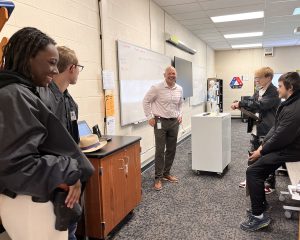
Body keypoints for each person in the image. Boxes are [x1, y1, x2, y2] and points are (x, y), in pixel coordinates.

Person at [0, 27, 94, 240]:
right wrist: (70, 170)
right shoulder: (15, 95)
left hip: (37, 198)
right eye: (51, 62)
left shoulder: (23, 92)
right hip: (30, 203)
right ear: (28, 58)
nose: (55, 70)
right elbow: (17, 165)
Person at [240, 71, 300, 231]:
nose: (279, 89)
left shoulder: (294, 108)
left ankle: (259, 217)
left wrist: (262, 151)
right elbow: (276, 128)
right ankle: (261, 205)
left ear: (291, 87)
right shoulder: (288, 102)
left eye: (281, 86)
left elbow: (281, 137)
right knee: (256, 167)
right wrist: (261, 147)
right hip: (287, 145)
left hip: (292, 149)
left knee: (253, 172)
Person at [38, 46, 84, 240]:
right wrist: (68, 178)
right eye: (79, 67)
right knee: (58, 231)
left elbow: (72, 141)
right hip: (56, 179)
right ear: (72, 68)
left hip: (69, 174)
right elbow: (45, 146)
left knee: (69, 226)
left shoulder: (68, 100)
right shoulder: (44, 99)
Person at [231, 67, 280, 193]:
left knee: (267, 157)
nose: (256, 80)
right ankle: (251, 179)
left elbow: (261, 105)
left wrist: (241, 104)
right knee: (252, 154)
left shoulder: (274, 92)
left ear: (268, 78)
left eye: (259, 78)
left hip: (267, 130)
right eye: (255, 78)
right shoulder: (259, 90)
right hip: (256, 128)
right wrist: (240, 104)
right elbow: (252, 103)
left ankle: (269, 184)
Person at [143, 66, 183, 191]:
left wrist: (180, 114)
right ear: (164, 75)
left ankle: (166, 173)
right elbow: (145, 101)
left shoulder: (179, 89)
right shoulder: (157, 87)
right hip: (160, 122)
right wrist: (149, 116)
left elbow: (180, 103)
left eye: (174, 73)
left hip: (174, 122)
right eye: (170, 73)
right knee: (160, 150)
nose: (172, 75)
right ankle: (158, 178)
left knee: (171, 149)